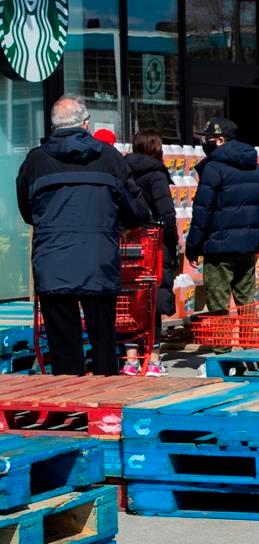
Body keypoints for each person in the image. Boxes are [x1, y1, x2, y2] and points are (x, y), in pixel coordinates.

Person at [16, 94, 150, 375]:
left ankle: (70, 395)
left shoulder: (35, 161)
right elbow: (137, 210)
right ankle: (105, 394)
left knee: (63, 345)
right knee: (103, 340)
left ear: (54, 125)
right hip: (98, 259)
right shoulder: (109, 157)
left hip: (53, 262)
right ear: (86, 124)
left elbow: (27, 211)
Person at [185, 117, 259, 339]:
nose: (204, 143)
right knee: (246, 300)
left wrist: (193, 247)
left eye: (208, 138)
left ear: (221, 140)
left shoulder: (213, 169)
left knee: (218, 301)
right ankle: (249, 344)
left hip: (218, 247)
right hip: (247, 247)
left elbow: (202, 212)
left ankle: (222, 347)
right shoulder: (257, 169)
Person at [123, 129, 177, 376]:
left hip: (127, 243)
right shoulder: (156, 174)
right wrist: (172, 241)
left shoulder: (122, 171)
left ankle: (131, 359)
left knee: (130, 302)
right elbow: (166, 214)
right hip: (153, 244)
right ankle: (153, 360)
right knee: (152, 301)